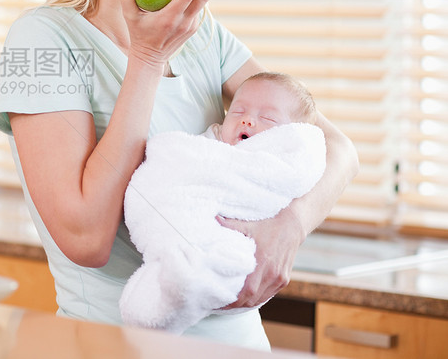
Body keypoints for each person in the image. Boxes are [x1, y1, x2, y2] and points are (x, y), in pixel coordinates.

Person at [0, 0, 358, 350]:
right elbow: (85, 238)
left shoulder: (201, 32)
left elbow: (337, 147)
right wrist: (146, 56)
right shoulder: (41, 39)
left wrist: (290, 226)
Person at [119, 71, 326, 334]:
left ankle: (182, 285)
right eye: (237, 111)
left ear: (290, 134)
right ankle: (171, 285)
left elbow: (290, 181)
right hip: (189, 213)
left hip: (235, 248)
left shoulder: (284, 162)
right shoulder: (211, 144)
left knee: (222, 259)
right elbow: (180, 164)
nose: (248, 120)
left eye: (267, 118)